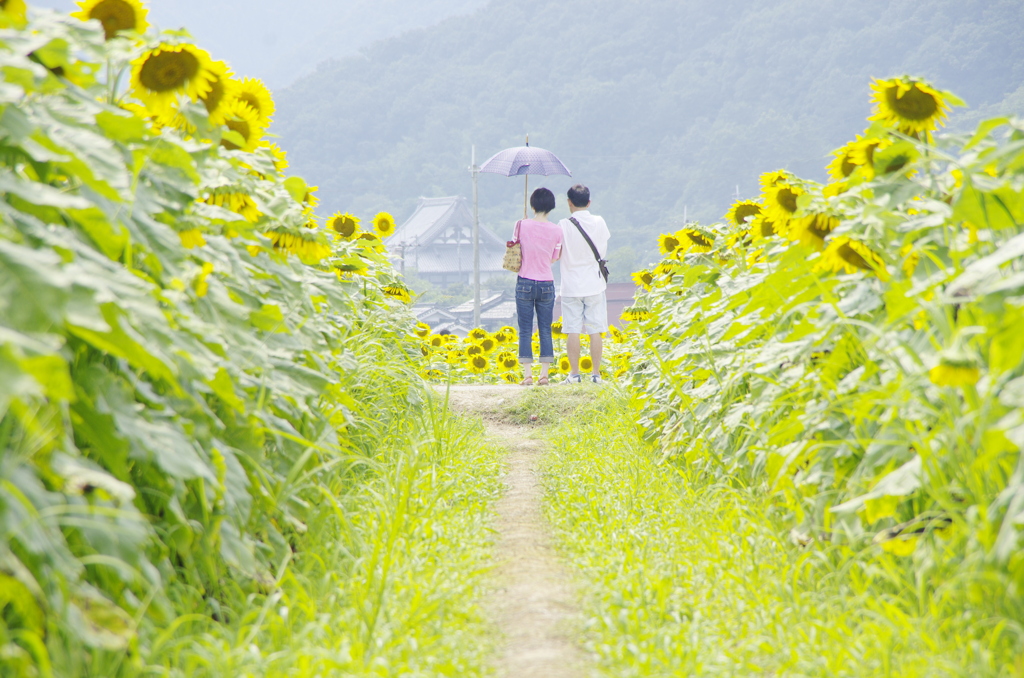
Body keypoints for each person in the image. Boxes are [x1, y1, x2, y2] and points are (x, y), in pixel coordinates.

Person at [557, 184, 609, 384]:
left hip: (571, 285)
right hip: (594, 283)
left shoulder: (562, 224)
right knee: (595, 329)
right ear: (589, 202)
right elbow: (602, 252)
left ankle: (574, 374)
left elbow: (558, 253)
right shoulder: (599, 221)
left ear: (569, 202)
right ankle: (596, 375)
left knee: (573, 329)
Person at [513, 187, 562, 386]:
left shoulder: (521, 224)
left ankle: (527, 375)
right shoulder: (557, 229)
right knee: (545, 329)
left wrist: (523, 224)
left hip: (524, 281)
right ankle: (544, 375)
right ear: (551, 207)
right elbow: (554, 257)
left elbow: (514, 248)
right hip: (546, 284)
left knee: (525, 329)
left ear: (532, 205)